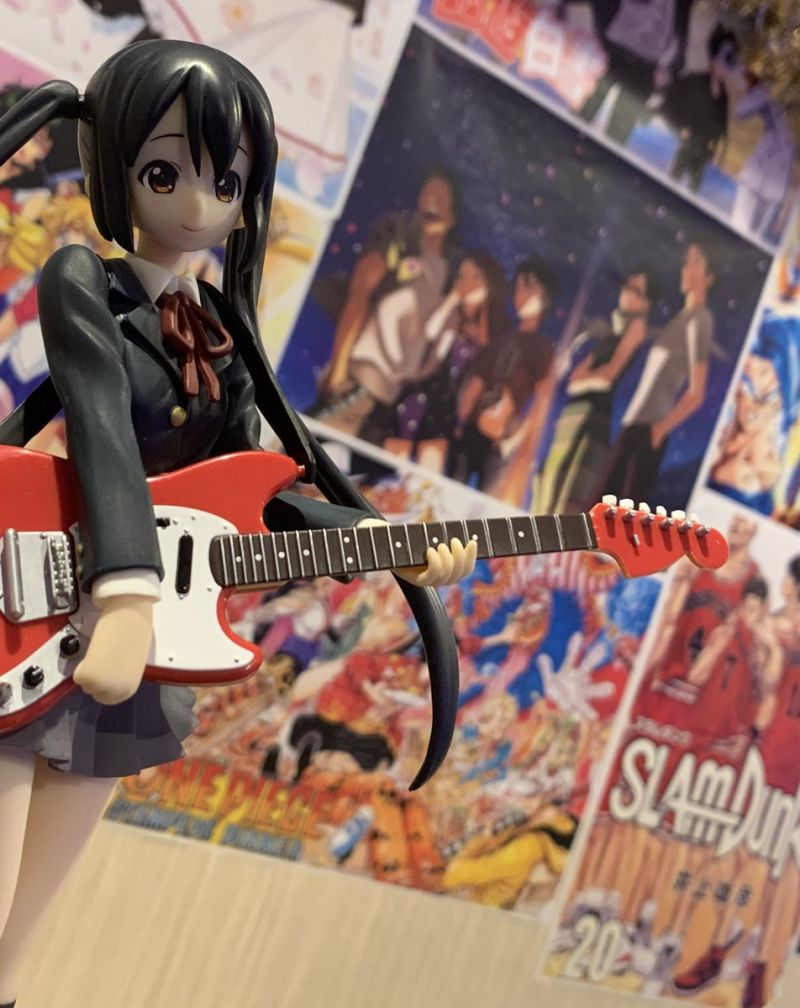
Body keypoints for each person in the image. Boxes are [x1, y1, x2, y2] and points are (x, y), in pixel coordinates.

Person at [0, 41, 476, 1007]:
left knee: (25, 924)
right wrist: (125, 594)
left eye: (226, 183)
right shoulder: (81, 280)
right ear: (116, 165)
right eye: (166, 173)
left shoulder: (219, 326)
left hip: (142, 635)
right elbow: (100, 428)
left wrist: (389, 546)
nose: (198, 204)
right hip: (42, 595)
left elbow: (256, 483)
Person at [599, 241, 716, 503]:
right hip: (631, 428)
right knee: (600, 511)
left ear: (710, 277)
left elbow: (696, 393)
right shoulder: (679, 320)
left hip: (645, 433)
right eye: (686, 262)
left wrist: (659, 429)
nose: (686, 270)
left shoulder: (700, 319)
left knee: (618, 517)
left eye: (696, 262)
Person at [536, 266, 656, 514]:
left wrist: (589, 378)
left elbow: (608, 377)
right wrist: (590, 377)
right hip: (574, 414)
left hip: (593, 416)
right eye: (627, 287)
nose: (627, 293)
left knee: (569, 490)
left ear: (646, 303)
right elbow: (574, 378)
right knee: (549, 481)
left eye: (636, 291)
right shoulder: (609, 334)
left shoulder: (637, 327)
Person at [448, 255, 556, 491]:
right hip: (471, 433)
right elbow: (476, 383)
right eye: (518, 287)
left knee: (483, 503)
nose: (521, 294)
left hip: (501, 442)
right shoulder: (501, 340)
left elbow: (541, 399)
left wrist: (515, 438)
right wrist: (462, 422)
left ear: (545, 295)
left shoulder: (543, 348)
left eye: (529, 287)